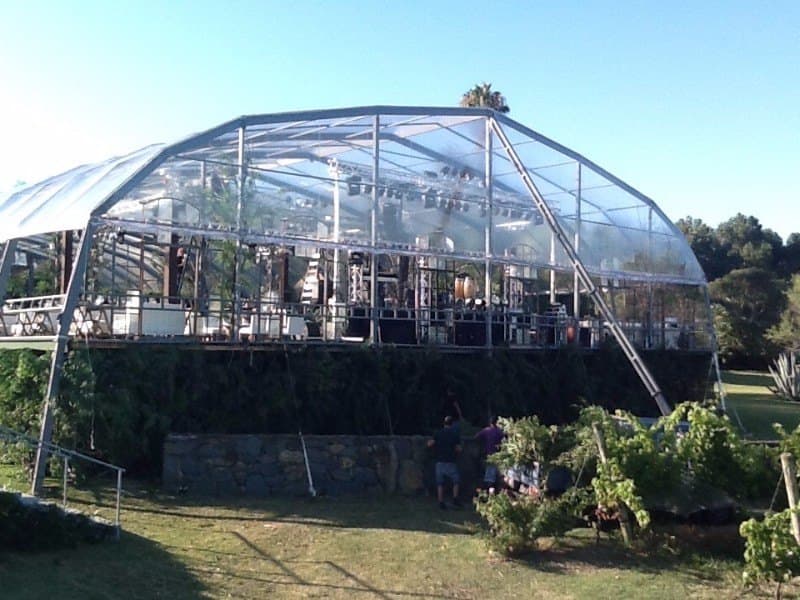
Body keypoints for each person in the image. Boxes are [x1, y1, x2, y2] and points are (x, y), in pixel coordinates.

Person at [428, 399, 463, 509]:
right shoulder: (454, 434)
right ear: (452, 424)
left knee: (440, 483)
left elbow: (430, 444)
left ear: (444, 423)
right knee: (456, 480)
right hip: (450, 461)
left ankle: (440, 501)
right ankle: (455, 498)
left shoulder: (438, 433)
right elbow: (458, 449)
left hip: (439, 460)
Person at [475, 415, 504, 491]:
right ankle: (497, 491)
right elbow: (505, 439)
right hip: (499, 455)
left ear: (490, 422)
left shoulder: (486, 430)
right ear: (497, 422)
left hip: (489, 455)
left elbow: (476, 437)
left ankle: (489, 492)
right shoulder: (499, 432)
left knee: (490, 475)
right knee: (498, 474)